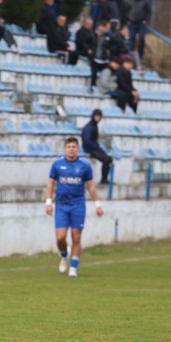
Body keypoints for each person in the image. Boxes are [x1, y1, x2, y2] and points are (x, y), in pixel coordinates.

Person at [45, 137, 104, 277]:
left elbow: (90, 186)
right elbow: (50, 183)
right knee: (60, 238)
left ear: (78, 149)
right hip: (61, 205)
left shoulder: (84, 165)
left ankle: (73, 268)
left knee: (76, 238)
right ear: (65, 149)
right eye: (69, 146)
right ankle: (65, 255)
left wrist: (98, 205)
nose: (71, 149)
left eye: (74, 147)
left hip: (78, 204)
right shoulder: (57, 164)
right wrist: (48, 202)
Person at [80, 109, 112, 185]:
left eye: (99, 116)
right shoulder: (89, 127)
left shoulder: (94, 126)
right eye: (97, 116)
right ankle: (104, 180)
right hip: (90, 149)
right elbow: (87, 140)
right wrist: (95, 147)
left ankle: (105, 179)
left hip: (95, 148)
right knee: (106, 160)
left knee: (109, 159)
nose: (98, 118)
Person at [125, 0, 150, 67]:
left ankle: (140, 55)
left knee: (141, 38)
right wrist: (127, 20)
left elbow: (149, 11)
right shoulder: (129, 1)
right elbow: (125, 11)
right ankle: (131, 55)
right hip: (131, 22)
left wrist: (146, 20)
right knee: (131, 39)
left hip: (141, 23)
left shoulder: (144, 2)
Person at [89, 19, 111, 89]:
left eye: (104, 27)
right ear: (98, 26)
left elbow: (112, 45)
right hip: (95, 58)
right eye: (101, 26)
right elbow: (88, 43)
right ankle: (92, 87)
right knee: (94, 74)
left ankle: (102, 88)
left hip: (104, 59)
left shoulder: (108, 36)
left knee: (104, 75)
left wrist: (109, 50)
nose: (102, 29)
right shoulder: (93, 34)